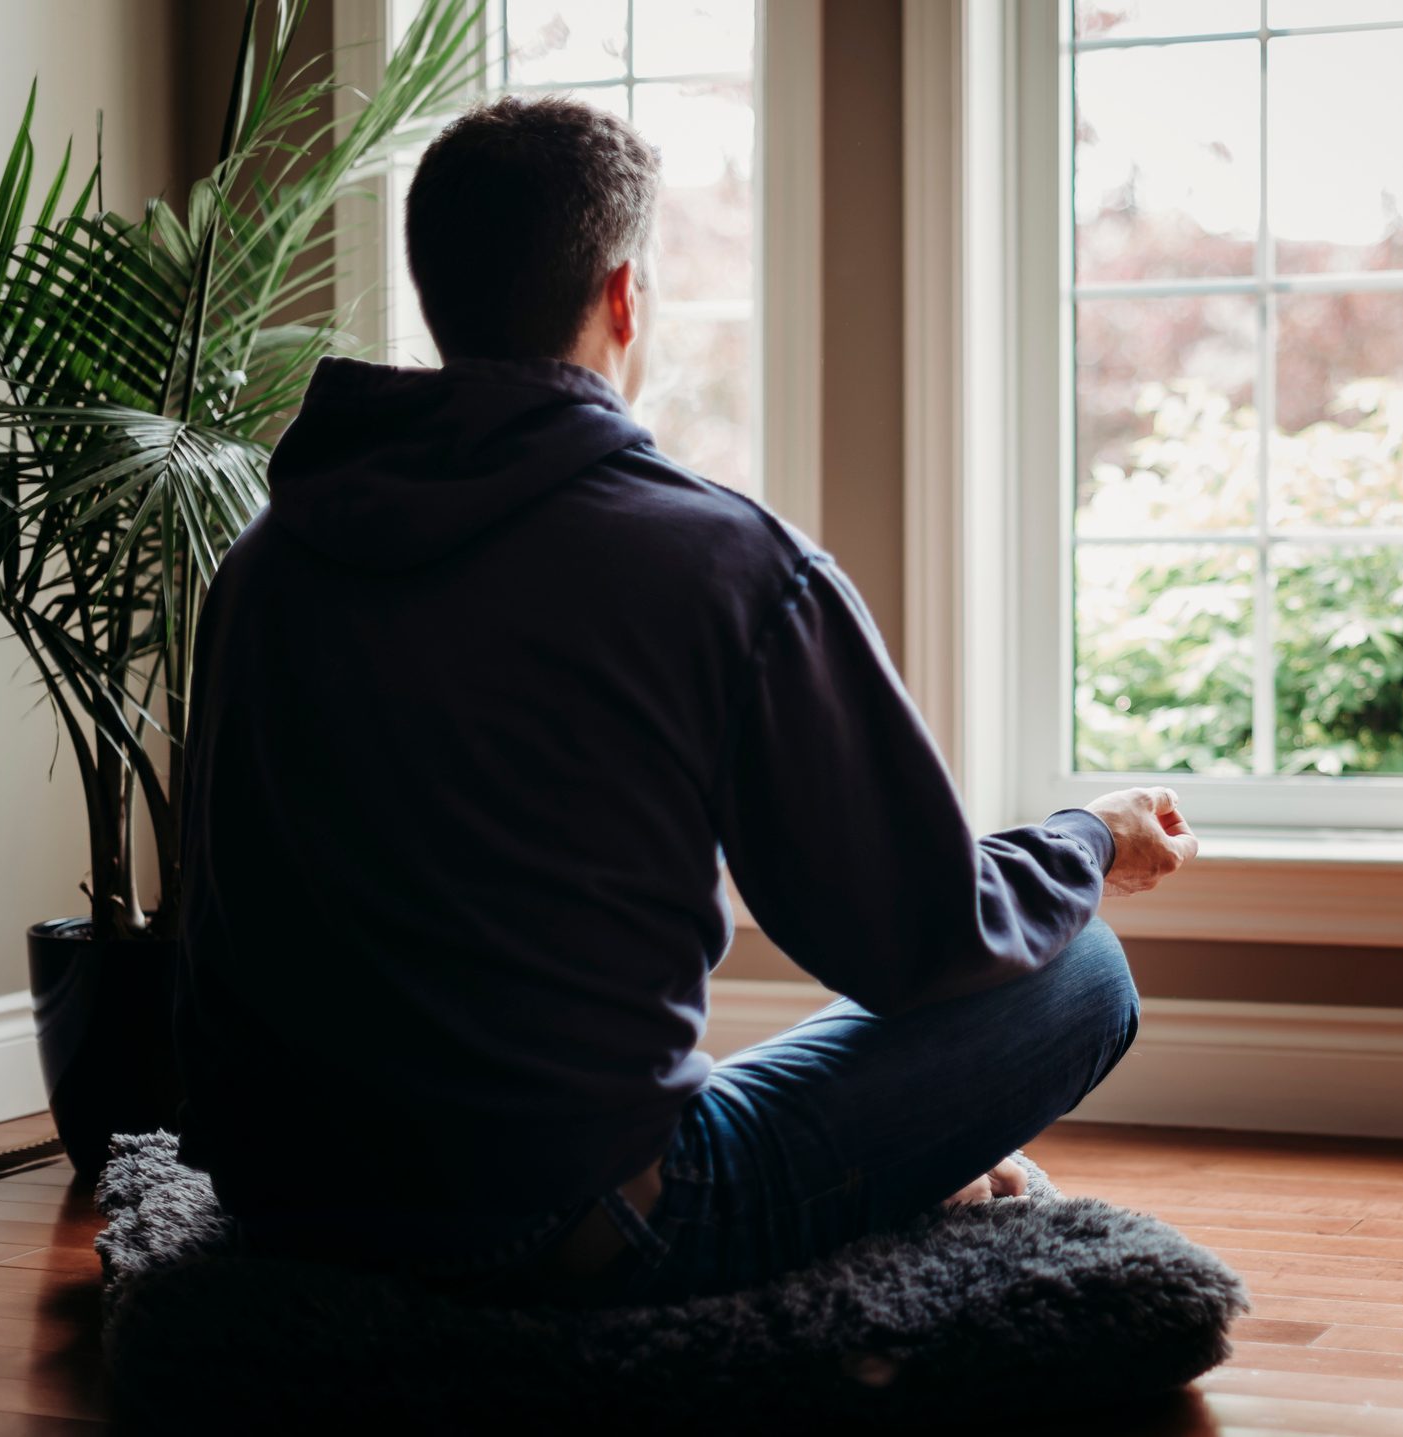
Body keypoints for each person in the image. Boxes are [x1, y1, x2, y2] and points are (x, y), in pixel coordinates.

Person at [173, 94, 1197, 1306]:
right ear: (622, 294)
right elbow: (917, 936)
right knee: (1081, 973)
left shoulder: (265, 560)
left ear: (437, 297)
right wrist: (1090, 835)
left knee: (677, 1078)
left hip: (285, 1209)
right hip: (571, 1224)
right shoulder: (722, 562)